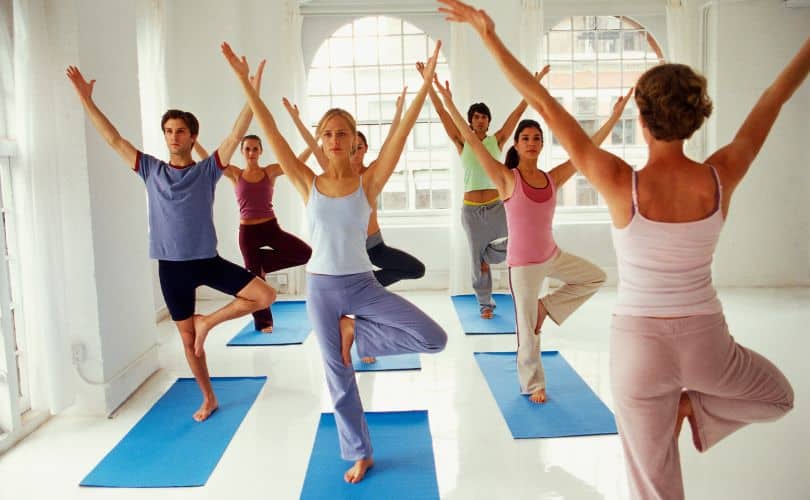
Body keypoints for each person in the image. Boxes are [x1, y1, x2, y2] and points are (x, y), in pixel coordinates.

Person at [438, 1, 805, 497]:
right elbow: (772, 100)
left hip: (638, 350)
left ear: (642, 115)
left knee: (653, 487)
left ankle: (687, 408)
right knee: (779, 396)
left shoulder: (618, 181)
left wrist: (487, 34)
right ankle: (695, 409)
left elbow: (543, 103)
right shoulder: (722, 175)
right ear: (697, 117)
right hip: (707, 345)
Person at [221, 41, 448, 484]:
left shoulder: (370, 181)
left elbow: (402, 135)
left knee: (433, 337)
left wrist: (425, 87)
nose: (335, 139)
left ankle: (358, 333)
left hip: (362, 284)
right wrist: (246, 86)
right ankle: (359, 452)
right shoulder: (309, 181)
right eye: (328, 133)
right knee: (339, 377)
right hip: (322, 288)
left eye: (343, 132)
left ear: (353, 139)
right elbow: (274, 133)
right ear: (321, 142)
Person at [66, 63, 277, 422]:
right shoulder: (151, 169)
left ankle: (207, 322)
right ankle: (208, 398)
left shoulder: (208, 170)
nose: (174, 137)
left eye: (180, 131)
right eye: (168, 131)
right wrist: (87, 100)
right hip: (171, 267)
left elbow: (234, 133)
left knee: (264, 296)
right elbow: (114, 139)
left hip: (206, 260)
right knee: (186, 341)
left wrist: (251, 92)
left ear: (193, 136)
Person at [435, 75, 629, 402]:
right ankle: (533, 383)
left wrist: (614, 117)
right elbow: (469, 135)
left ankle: (546, 308)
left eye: (536, 138)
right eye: (525, 138)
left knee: (596, 277)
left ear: (541, 144)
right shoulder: (505, 177)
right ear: (517, 145)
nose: (531, 142)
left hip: (552, 255)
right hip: (523, 265)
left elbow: (586, 150)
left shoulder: (552, 178)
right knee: (527, 333)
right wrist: (448, 100)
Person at [282, 91, 426, 364]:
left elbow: (394, 141)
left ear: (359, 147)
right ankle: (362, 332)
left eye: (358, 145)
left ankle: (367, 299)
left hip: (373, 244)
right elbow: (314, 142)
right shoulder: (329, 169)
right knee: (357, 290)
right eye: (331, 136)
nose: (354, 149)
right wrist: (296, 120)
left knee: (414, 269)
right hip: (347, 253)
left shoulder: (371, 173)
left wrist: (398, 113)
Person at [416, 62, 539, 319]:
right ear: (470, 122)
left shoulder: (498, 140)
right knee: (475, 259)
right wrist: (429, 85)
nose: (480, 120)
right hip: (472, 212)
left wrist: (531, 89)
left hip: (496, 207)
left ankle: (489, 255)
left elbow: (516, 117)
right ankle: (485, 304)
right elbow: (442, 113)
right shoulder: (463, 142)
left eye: (484, 117)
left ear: (488, 121)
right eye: (476, 117)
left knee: (519, 238)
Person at [193, 134, 312, 333]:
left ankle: (263, 264)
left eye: (255, 149)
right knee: (256, 279)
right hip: (248, 232)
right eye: (247, 149)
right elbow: (209, 161)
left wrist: (312, 144)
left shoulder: (270, 172)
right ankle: (264, 322)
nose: (251, 153)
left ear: (260, 151)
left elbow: (295, 163)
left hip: (271, 228)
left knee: (305, 253)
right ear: (242, 151)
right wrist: (195, 141)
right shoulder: (235, 174)